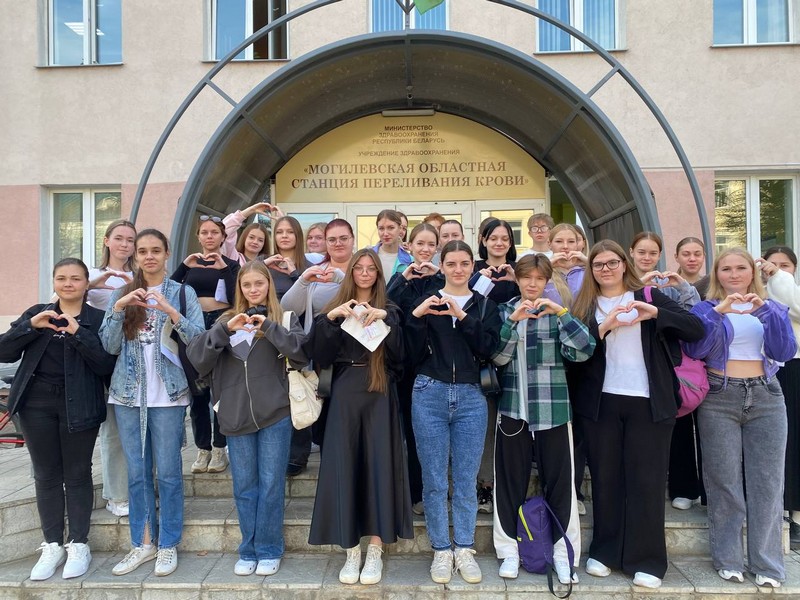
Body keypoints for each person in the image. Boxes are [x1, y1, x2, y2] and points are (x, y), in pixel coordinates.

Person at [569, 240, 703, 589]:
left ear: (624, 264)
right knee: (606, 479)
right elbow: (572, 356)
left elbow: (695, 328)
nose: (606, 269)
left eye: (612, 262)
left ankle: (648, 560)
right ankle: (605, 552)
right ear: (591, 270)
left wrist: (655, 313)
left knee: (647, 481)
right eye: (598, 264)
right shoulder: (584, 305)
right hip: (601, 403)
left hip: (648, 402)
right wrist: (604, 327)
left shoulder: (648, 295)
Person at [187, 261, 307, 577]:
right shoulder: (225, 320)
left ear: (269, 285)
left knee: (270, 485)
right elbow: (198, 359)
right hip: (234, 415)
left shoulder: (284, 318)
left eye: (259, 283)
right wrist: (225, 329)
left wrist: (270, 327)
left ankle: (269, 549)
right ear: (239, 288)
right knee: (244, 486)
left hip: (275, 414)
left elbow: (301, 354)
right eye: (247, 284)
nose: (253, 290)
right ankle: (248, 549)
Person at [684, 248, 795, 587]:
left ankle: (767, 564)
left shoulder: (772, 307)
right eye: (726, 269)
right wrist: (718, 313)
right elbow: (695, 350)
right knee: (724, 481)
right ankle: (729, 558)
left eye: (741, 268)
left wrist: (767, 314)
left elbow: (784, 351)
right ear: (717, 274)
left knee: (768, 483)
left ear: (753, 272)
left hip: (766, 394)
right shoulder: (706, 308)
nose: (734, 275)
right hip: (720, 395)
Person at [0, 258, 115, 581]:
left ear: (86, 284)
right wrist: (29, 326)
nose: (68, 284)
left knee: (77, 474)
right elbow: (4, 352)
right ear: (54, 282)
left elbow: (106, 364)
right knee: (46, 474)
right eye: (62, 278)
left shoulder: (97, 319)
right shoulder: (38, 314)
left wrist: (78, 333)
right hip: (35, 405)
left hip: (80, 404)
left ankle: (78, 543)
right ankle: (52, 544)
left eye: (75, 278)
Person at [100, 229, 205, 577]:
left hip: (169, 394)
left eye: (155, 250)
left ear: (166, 253)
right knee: (137, 472)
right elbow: (109, 346)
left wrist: (171, 311)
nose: (149, 256)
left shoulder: (183, 292)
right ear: (135, 256)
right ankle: (143, 543)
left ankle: (168, 544)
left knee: (170, 472)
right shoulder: (122, 293)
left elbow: (200, 340)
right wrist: (119, 308)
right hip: (127, 394)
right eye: (142, 250)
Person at [308, 249, 412, 585]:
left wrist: (386, 320)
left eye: (371, 268)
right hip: (345, 391)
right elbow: (318, 354)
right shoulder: (335, 307)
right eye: (359, 268)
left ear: (378, 274)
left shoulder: (390, 309)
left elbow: (402, 357)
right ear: (351, 271)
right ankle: (351, 549)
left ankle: (375, 549)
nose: (365, 273)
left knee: (380, 468)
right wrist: (331, 319)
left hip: (379, 392)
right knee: (345, 465)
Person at [491, 254, 595, 583]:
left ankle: (564, 555)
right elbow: (496, 357)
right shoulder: (504, 311)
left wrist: (562, 314)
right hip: (513, 409)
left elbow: (585, 350)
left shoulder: (557, 313)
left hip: (553, 409)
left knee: (562, 484)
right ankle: (509, 552)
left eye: (539, 278)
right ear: (518, 279)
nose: (532, 284)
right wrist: (513, 323)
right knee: (509, 482)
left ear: (547, 280)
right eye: (527, 277)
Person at [406, 240, 501, 585]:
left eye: (464, 263)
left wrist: (462, 316)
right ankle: (441, 549)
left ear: (472, 267)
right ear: (442, 266)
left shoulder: (485, 305)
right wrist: (416, 318)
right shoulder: (428, 301)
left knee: (465, 478)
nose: (458, 269)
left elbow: (489, 347)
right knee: (433, 479)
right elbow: (409, 354)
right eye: (451, 263)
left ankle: (464, 547)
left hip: (472, 396)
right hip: (429, 392)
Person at [629, 231, 702, 511]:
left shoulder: (669, 286)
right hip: (631, 365)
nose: (647, 258)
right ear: (631, 252)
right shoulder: (621, 279)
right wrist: (640, 287)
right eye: (642, 252)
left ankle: (683, 488)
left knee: (678, 424)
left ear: (660, 256)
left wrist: (682, 287)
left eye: (652, 253)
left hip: (668, 363)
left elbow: (693, 321)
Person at [281, 218, 354, 475]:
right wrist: (303, 279)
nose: (338, 243)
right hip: (323, 353)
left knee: (348, 415)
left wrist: (342, 277)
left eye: (343, 238)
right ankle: (325, 467)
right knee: (322, 409)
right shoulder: (317, 271)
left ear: (352, 239)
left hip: (356, 356)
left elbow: (366, 297)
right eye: (332, 239)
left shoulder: (362, 267)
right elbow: (289, 307)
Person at [171, 215, 240, 474]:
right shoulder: (190, 264)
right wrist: (183, 266)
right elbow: (168, 291)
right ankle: (203, 448)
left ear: (223, 237)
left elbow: (237, 297)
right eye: (204, 232)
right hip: (193, 327)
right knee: (197, 390)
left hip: (220, 323)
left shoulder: (231, 265)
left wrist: (223, 269)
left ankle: (220, 447)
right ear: (198, 236)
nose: (209, 236)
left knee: (219, 387)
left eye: (214, 232)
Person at [387, 222, 442, 516]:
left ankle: (429, 492)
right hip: (403, 366)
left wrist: (440, 275)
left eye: (431, 244)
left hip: (433, 364)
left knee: (429, 434)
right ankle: (411, 492)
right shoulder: (400, 278)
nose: (425, 249)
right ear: (409, 246)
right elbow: (385, 306)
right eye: (420, 243)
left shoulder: (441, 278)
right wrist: (402, 278)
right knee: (407, 431)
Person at [87, 219, 137, 518]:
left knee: (142, 430)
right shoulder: (92, 275)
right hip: (105, 360)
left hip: (138, 359)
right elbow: (57, 302)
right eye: (119, 238)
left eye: (130, 240)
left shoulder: (140, 276)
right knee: (114, 430)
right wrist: (92, 285)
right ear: (106, 240)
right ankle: (117, 493)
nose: (125, 244)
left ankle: (141, 488)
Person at [760, 246, 800, 547]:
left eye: (784, 265)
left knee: (794, 440)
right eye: (771, 264)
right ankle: (779, 507)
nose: (775, 269)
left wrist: (779, 278)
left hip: (794, 367)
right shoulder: (756, 292)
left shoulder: (790, 291)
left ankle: (796, 512)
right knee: (772, 443)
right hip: (764, 370)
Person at [262, 216, 312, 299]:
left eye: (290, 232)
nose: (284, 236)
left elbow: (308, 297)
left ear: (298, 236)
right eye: (279, 232)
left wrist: (294, 275)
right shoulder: (263, 261)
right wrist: (262, 264)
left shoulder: (309, 268)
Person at [373, 209, 412, 282]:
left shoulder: (410, 260)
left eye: (391, 228)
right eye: (381, 228)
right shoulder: (368, 256)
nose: (385, 233)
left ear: (399, 228)